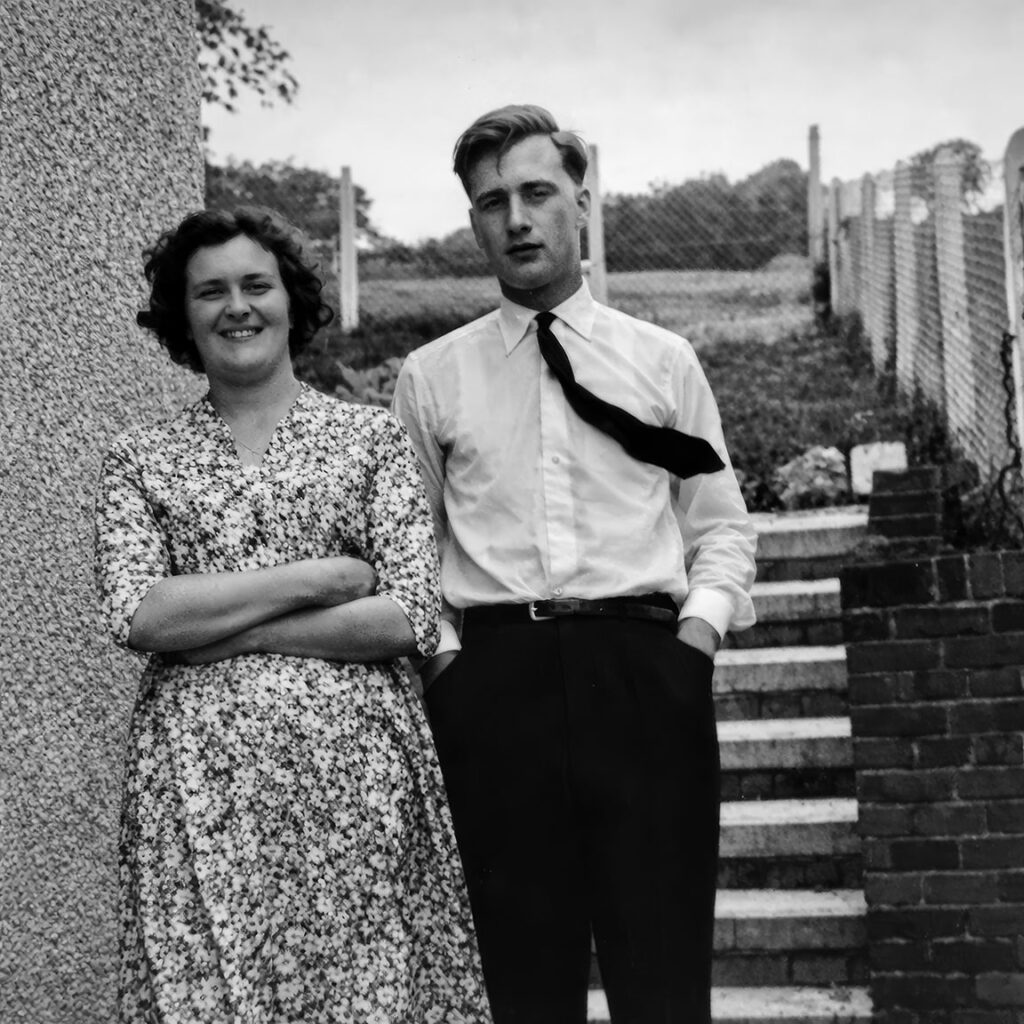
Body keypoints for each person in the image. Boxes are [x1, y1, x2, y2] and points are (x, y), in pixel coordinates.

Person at [392, 105, 757, 1024]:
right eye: (491, 202)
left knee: (663, 979)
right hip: (496, 690)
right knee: (521, 985)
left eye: (536, 192)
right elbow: (407, 548)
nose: (515, 218)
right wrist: (448, 668)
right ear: (472, 220)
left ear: (582, 203)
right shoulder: (434, 377)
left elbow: (719, 527)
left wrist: (693, 647)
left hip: (645, 679)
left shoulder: (662, 362)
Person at [94, 207, 492, 1024]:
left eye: (255, 285)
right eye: (210, 291)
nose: (236, 306)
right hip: (200, 794)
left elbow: (408, 616)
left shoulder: (369, 441)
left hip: (358, 792)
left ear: (290, 300)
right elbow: (141, 612)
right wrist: (324, 576)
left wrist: (223, 627)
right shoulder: (141, 459)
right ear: (182, 314)